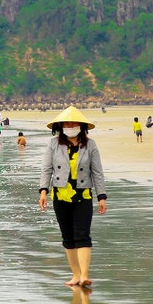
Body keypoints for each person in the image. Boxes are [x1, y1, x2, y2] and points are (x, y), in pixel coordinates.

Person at [39, 106, 107, 288]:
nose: (70, 126)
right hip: (60, 195)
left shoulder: (90, 145)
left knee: (83, 234)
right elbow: (47, 169)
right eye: (66, 123)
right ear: (60, 126)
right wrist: (43, 191)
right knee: (68, 236)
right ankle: (75, 275)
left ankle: (84, 275)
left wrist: (101, 196)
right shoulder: (53, 144)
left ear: (81, 125)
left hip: (83, 194)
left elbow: (97, 172)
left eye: (73, 123)